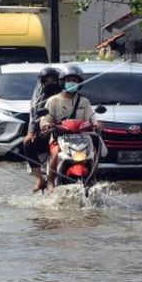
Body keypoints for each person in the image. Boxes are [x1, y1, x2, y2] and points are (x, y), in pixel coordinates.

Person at [40, 64, 96, 192]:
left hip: (82, 139)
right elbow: (46, 117)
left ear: (79, 83)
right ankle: (50, 182)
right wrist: (46, 124)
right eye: (69, 80)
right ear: (63, 82)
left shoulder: (84, 102)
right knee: (55, 153)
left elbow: (92, 117)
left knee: (95, 151)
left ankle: (94, 178)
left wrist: (96, 124)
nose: (72, 83)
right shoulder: (53, 101)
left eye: (75, 80)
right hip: (59, 138)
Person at [23, 66, 61, 192]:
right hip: (51, 132)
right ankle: (41, 179)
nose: (51, 84)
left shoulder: (68, 95)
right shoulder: (41, 99)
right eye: (47, 81)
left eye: (53, 81)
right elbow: (36, 116)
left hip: (71, 132)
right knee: (28, 144)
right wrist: (31, 132)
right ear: (42, 83)